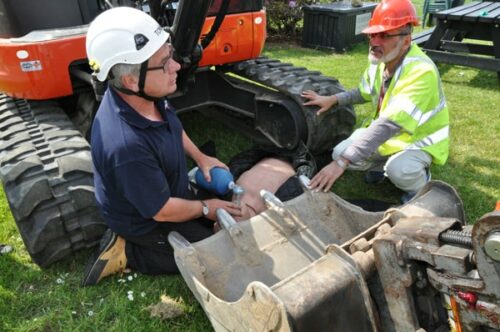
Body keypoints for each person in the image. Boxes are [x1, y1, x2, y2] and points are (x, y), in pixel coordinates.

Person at [82, 7, 242, 286]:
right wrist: (206, 207)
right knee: (214, 257)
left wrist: (201, 157)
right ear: (131, 79)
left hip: (165, 192)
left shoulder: (146, 95)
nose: (176, 66)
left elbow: (172, 125)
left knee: (222, 222)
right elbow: (162, 211)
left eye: (170, 57)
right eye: (164, 62)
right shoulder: (125, 146)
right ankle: (126, 251)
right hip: (146, 219)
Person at [301, 0, 449, 203]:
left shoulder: (421, 72)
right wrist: (333, 99)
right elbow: (364, 92)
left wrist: (341, 164)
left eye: (385, 35)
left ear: (406, 40)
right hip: (389, 136)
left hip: (418, 141)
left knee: (400, 171)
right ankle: (380, 166)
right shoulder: (381, 59)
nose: (375, 42)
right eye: (373, 34)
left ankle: (419, 186)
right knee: (338, 152)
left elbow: (389, 124)